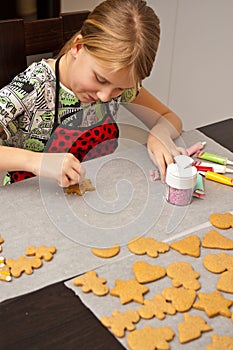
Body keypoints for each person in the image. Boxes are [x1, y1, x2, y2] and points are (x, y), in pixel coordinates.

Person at [0, 0, 186, 188]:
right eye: (100, 79)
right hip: (32, 200)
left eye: (119, 88)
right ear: (78, 46)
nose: (106, 96)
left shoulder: (117, 88)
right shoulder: (31, 88)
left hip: (98, 191)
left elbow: (169, 117)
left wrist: (159, 134)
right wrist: (36, 161)